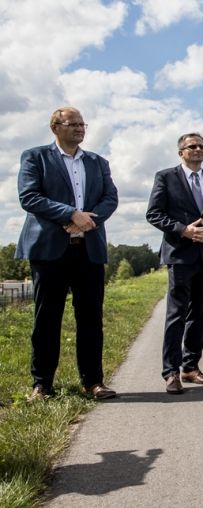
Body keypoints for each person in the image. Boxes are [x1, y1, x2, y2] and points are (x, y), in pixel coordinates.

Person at [15, 106, 118, 400]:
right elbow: (29, 196)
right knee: (47, 319)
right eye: (72, 123)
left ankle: (93, 382)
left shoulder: (98, 162)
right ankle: (42, 384)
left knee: (90, 318)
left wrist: (90, 220)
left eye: (82, 124)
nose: (79, 128)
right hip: (49, 251)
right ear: (55, 128)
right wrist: (71, 214)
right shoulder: (35, 157)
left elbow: (110, 198)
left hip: (89, 248)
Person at [146, 133, 203, 394]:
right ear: (181, 152)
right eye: (191, 146)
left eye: (201, 146)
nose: (197, 149)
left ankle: (190, 366)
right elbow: (154, 214)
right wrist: (183, 230)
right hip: (180, 254)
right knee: (177, 314)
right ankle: (170, 372)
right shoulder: (166, 177)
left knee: (200, 314)